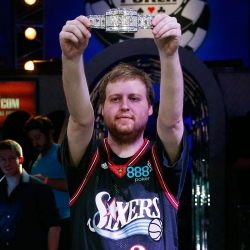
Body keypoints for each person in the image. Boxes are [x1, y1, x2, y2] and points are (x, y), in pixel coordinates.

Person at [59, 12, 189, 250]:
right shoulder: (88, 158)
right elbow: (80, 121)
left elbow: (172, 123)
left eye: (134, 98)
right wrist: (71, 58)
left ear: (151, 108)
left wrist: (169, 55)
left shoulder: (161, 159)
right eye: (115, 99)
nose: (125, 106)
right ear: (102, 107)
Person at [0, 139, 61, 250]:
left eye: (11, 158)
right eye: (2, 159)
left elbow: (54, 226)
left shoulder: (39, 188)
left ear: (21, 159)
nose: (7, 163)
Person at [23, 116, 71, 250]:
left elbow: (75, 185)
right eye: (32, 139)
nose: (35, 143)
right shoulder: (34, 162)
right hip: (46, 223)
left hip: (66, 220)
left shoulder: (62, 153)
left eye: (37, 138)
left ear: (50, 133)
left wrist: (44, 181)